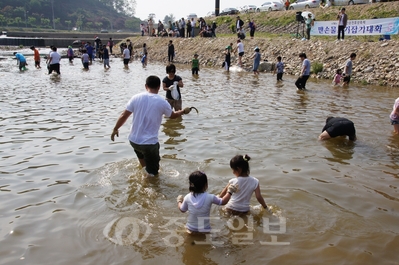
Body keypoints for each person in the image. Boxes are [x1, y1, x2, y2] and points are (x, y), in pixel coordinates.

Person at [110, 76, 191, 177]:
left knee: (144, 166)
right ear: (159, 87)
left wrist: (115, 129)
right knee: (154, 174)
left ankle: (144, 176)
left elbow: (124, 115)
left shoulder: (136, 97)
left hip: (134, 141)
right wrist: (182, 111)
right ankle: (147, 186)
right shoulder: (162, 101)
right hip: (149, 144)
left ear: (146, 86)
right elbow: (173, 116)